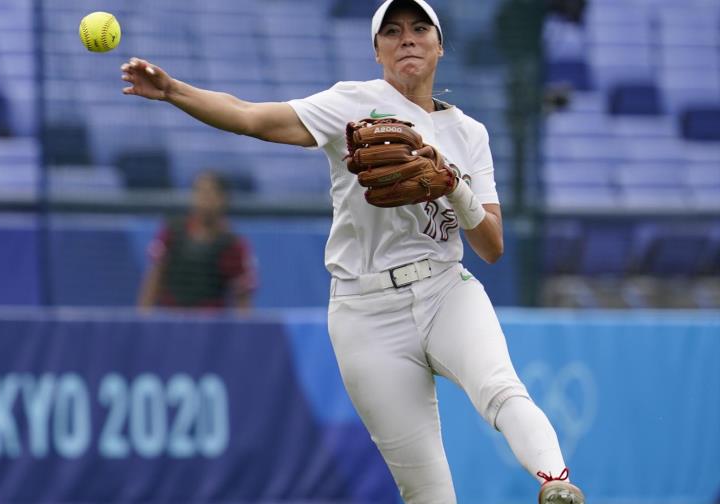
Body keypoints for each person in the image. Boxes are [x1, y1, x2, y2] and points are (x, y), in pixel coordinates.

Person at [122, 1, 585, 502]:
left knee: (500, 388)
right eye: (392, 31)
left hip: (445, 287)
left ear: (440, 44)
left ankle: (556, 486)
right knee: (426, 488)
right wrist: (172, 91)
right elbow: (249, 117)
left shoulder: (470, 134)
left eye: (418, 28)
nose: (406, 38)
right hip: (364, 313)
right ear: (377, 51)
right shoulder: (350, 103)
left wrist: (454, 185)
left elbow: (491, 245)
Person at [137, 170, 256, 311]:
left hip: (210, 327)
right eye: (198, 192)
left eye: (209, 193)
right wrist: (143, 318)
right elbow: (154, 279)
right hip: (169, 321)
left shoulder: (234, 245)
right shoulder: (172, 231)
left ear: (223, 198)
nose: (203, 199)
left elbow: (242, 300)